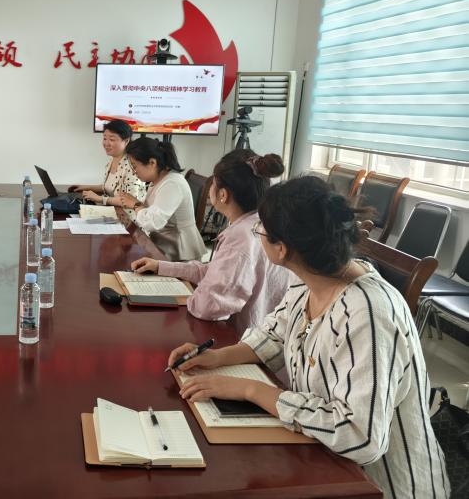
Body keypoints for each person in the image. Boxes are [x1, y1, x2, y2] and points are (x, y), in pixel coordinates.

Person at [169, 176, 449, 498]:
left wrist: (250, 389)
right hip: (320, 455)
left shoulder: (368, 313)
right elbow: (274, 335)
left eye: (260, 230)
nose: (257, 234)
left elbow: (360, 436)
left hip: (375, 485)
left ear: (281, 249)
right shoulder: (313, 277)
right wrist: (216, 357)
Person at [131, 150, 290, 333]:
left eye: (213, 183)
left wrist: (184, 298)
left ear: (223, 194)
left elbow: (206, 306)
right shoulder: (260, 222)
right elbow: (215, 271)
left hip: (239, 338)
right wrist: (162, 267)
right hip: (261, 333)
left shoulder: (240, 237)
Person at [119, 137, 206, 262]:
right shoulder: (158, 179)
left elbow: (153, 222)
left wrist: (135, 204)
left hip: (179, 252)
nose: (133, 172)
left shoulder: (172, 183)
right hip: (164, 245)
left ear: (152, 163)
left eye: (135, 166)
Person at [67, 119, 146, 209]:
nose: (106, 143)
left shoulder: (132, 165)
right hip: (111, 210)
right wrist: (85, 187)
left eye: (112, 139)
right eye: (105, 138)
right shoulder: (112, 159)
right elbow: (108, 187)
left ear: (126, 141)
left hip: (127, 215)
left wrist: (100, 199)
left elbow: (130, 200)